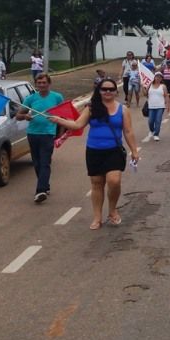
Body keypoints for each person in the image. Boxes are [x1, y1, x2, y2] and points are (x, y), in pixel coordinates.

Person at [49, 78, 139, 230]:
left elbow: (128, 131)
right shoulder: (91, 108)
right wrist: (59, 120)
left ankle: (112, 210)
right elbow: (78, 124)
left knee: (114, 181)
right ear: (99, 91)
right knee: (97, 184)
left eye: (111, 89)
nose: (108, 92)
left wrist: (134, 150)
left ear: (116, 91)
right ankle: (97, 217)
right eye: (104, 89)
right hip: (94, 150)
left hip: (114, 151)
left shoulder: (123, 110)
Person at [16, 74, 64, 203]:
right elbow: (18, 115)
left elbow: (63, 114)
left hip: (48, 134)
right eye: (39, 83)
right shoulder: (30, 99)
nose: (42, 85)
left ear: (49, 83)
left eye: (44, 82)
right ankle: (45, 185)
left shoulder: (57, 97)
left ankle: (40, 190)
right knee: (37, 163)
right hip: (33, 134)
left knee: (45, 162)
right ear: (36, 84)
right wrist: (25, 116)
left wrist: (61, 133)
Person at [144, 72, 169, 142]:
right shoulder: (150, 85)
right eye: (157, 77)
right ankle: (152, 131)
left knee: (158, 120)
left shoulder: (163, 86)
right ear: (154, 77)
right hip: (151, 106)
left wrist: (167, 105)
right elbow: (145, 94)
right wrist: (142, 87)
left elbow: (166, 95)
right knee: (151, 121)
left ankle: (156, 134)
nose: (158, 78)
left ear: (161, 78)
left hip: (160, 106)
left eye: (160, 77)